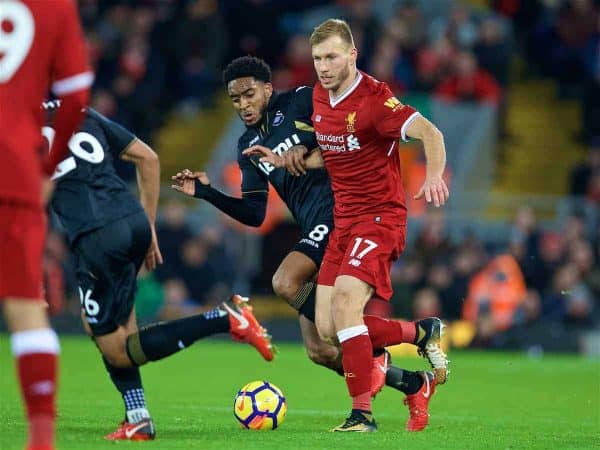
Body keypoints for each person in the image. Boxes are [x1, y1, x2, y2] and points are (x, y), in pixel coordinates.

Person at [174, 56, 443, 430]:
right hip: (312, 227)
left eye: (249, 94)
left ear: (268, 89)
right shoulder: (248, 145)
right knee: (321, 349)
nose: (244, 105)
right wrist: (207, 193)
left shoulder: (301, 102)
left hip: (341, 214)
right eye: (235, 99)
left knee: (285, 281)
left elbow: (342, 135)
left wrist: (310, 150)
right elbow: (254, 213)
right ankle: (413, 379)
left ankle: (371, 394)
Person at [244, 19, 450, 432]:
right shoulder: (321, 96)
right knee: (328, 330)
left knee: (345, 308)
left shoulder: (375, 100)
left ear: (352, 55)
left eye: (332, 56)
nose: (323, 66)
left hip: (380, 218)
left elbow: (431, 132)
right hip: (344, 221)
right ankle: (420, 334)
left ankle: (362, 416)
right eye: (318, 58)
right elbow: (336, 152)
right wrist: (293, 159)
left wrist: (433, 175)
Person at [44, 102, 274, 442]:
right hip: (132, 220)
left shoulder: (18, 127)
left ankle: (225, 318)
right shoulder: (78, 111)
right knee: (112, 327)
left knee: (117, 347)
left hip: (96, 237)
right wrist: (149, 226)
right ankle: (138, 417)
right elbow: (148, 158)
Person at [0, 2, 92, 449]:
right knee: (26, 310)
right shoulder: (54, 6)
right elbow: (77, 94)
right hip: (13, 169)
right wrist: (46, 170)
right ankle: (40, 442)